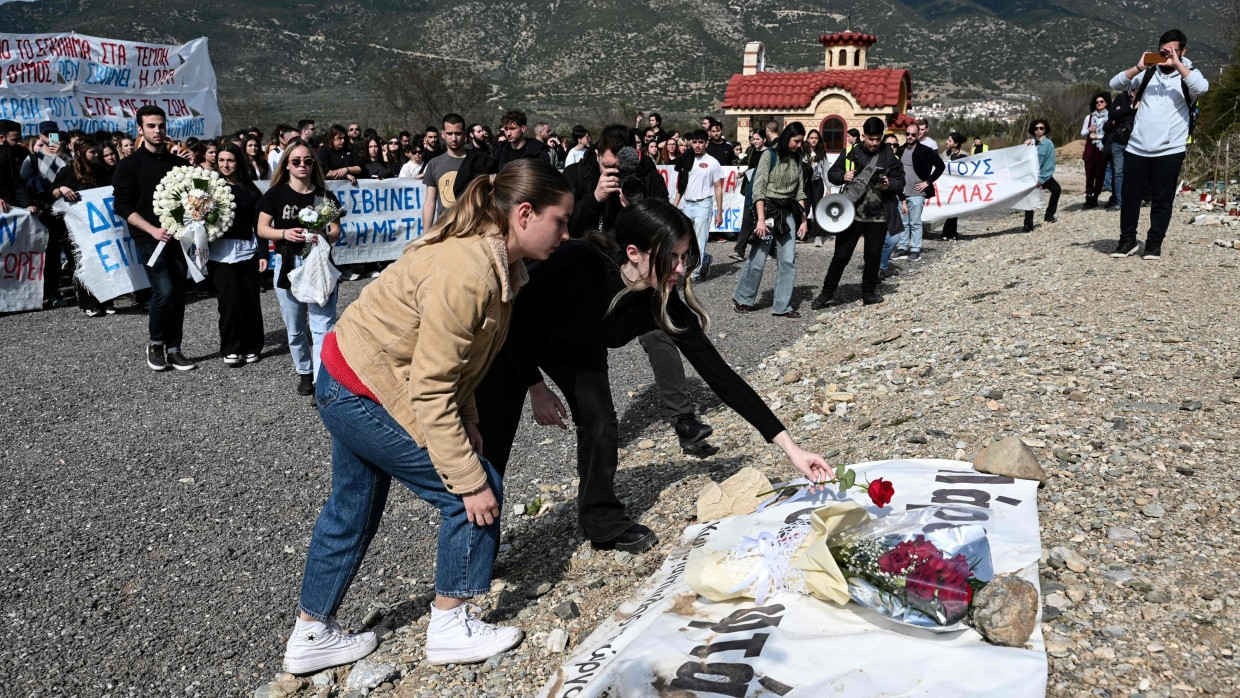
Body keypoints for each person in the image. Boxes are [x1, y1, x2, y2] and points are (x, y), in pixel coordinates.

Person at [282, 159, 572, 675]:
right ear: (525, 214)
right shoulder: (469, 271)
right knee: (474, 491)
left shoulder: (494, 257)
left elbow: (455, 361)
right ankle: (450, 625)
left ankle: (311, 634)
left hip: (348, 373)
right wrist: (466, 477)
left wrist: (471, 418)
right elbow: (432, 385)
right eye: (561, 220)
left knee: (352, 507)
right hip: (363, 389)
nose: (566, 233)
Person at [477, 198, 834, 554]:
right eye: (672, 257)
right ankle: (475, 548)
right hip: (510, 341)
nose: (680, 268)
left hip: (578, 349)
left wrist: (791, 448)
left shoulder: (659, 302)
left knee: (601, 423)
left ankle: (602, 522)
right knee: (492, 444)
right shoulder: (577, 262)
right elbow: (513, 318)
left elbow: (719, 374)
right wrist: (536, 387)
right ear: (635, 253)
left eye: (685, 257)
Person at [555, 123, 715, 455]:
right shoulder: (575, 175)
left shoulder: (645, 174)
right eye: (609, 167)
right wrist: (595, 198)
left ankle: (684, 421)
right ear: (597, 155)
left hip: (638, 271)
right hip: (591, 274)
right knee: (590, 351)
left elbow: (665, 225)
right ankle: (597, 433)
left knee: (660, 333)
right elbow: (561, 231)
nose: (616, 173)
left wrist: (636, 205)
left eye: (622, 167)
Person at [1109, 29, 1209, 260]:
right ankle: (1127, 241)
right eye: (1164, 51)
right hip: (1136, 148)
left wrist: (1178, 64)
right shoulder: (1147, 74)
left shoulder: (1189, 77)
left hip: (1170, 149)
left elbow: (1202, 89)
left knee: (1162, 200)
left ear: (1183, 51)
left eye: (1173, 51)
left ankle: (1153, 244)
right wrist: (1139, 66)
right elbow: (1114, 82)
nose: (1167, 55)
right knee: (1130, 197)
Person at [113, 106, 197, 370]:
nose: (157, 130)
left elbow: (194, 199)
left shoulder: (180, 165)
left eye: (161, 125)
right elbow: (122, 206)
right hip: (150, 238)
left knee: (179, 292)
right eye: (151, 126)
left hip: (178, 238)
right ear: (140, 129)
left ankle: (174, 348)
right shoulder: (128, 166)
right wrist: (151, 229)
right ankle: (156, 343)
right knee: (164, 290)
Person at [257, 140, 343, 396]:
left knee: (322, 326)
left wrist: (323, 235)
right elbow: (262, 228)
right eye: (296, 161)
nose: (302, 165)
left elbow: (337, 230)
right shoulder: (276, 194)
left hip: (319, 263)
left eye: (308, 161)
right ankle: (304, 371)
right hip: (288, 263)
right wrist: (285, 233)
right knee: (295, 328)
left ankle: (320, 380)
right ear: (287, 165)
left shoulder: (324, 196)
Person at [811, 116, 904, 309]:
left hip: (878, 216)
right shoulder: (850, 153)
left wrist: (888, 185)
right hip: (850, 215)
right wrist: (843, 176)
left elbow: (900, 181)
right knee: (841, 256)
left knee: (872, 257)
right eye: (871, 139)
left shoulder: (889, 156)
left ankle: (868, 293)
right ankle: (827, 293)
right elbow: (831, 174)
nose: (874, 143)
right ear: (863, 136)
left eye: (878, 139)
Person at [732, 122, 807, 317]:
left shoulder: (797, 159)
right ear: (787, 137)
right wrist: (760, 220)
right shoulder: (769, 155)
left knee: (788, 260)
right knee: (758, 256)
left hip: (788, 211)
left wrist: (804, 220)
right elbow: (759, 189)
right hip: (767, 210)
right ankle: (743, 298)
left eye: (801, 142)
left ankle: (782, 306)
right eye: (796, 141)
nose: (799, 145)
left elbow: (800, 192)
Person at [209, 144, 265, 366]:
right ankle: (231, 347)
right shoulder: (208, 188)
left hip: (246, 251)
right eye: (221, 160)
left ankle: (252, 345)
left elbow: (258, 223)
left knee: (250, 300)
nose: (225, 165)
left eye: (230, 160)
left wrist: (263, 252)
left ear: (238, 162)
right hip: (219, 254)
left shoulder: (249, 190)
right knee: (229, 302)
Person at [52, 138, 115, 316]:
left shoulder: (100, 170)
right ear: (80, 153)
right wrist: (62, 189)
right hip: (80, 225)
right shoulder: (67, 171)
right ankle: (89, 303)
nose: (96, 155)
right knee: (85, 262)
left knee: (103, 260)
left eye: (96, 152)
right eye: (92, 152)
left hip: (101, 225)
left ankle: (107, 299)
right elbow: (53, 191)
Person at [672, 130, 724, 280]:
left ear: (706, 143)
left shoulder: (712, 162)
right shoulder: (686, 160)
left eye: (700, 142)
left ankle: (694, 272)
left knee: (700, 240)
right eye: (694, 142)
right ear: (690, 143)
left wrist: (719, 212)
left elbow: (718, 187)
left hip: (703, 204)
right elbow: (681, 185)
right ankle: (704, 259)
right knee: (684, 239)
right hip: (687, 204)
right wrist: (675, 206)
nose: (697, 145)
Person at [890, 122, 944, 263]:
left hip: (917, 194)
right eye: (907, 134)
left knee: (915, 222)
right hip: (901, 194)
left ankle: (915, 250)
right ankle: (902, 248)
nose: (910, 137)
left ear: (918, 135)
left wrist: (927, 182)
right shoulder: (900, 150)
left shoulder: (925, 151)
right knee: (903, 222)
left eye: (913, 134)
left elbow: (940, 166)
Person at [422, 113, 468, 231]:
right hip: (444, 229)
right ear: (443, 134)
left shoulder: (478, 161)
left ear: (464, 135)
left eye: (457, 133)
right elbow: (429, 202)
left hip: (470, 228)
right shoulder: (433, 164)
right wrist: (426, 234)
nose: (453, 138)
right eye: (449, 133)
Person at [730, 129, 768, 261]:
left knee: (763, 220)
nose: (755, 141)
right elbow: (750, 167)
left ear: (764, 139)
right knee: (746, 219)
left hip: (764, 191)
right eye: (753, 139)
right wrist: (743, 173)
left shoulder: (769, 153)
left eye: (758, 139)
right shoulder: (750, 151)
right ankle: (739, 250)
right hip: (751, 189)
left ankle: (767, 249)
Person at [1023, 119, 1060, 232]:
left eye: (1041, 128)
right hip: (1030, 176)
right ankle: (1028, 225)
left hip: (1043, 175)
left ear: (1045, 130)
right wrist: (1024, 146)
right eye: (1036, 128)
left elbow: (1049, 163)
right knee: (1030, 199)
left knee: (1056, 189)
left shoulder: (1048, 144)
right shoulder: (1029, 143)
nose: (1038, 130)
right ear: (1033, 130)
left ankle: (1049, 215)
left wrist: (1041, 180)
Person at [1102, 86, 1136, 210]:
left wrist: (1121, 112)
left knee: (1133, 172)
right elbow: (1112, 115)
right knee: (1118, 173)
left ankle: (1131, 199)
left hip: (1136, 142)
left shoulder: (1144, 97)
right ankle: (1119, 201)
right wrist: (1130, 108)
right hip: (1118, 141)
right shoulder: (1122, 97)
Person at [1081, 92, 1111, 209]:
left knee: (1100, 174)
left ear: (1106, 103)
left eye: (1101, 101)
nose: (1099, 104)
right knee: (1089, 174)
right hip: (1090, 148)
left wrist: (1098, 137)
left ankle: (1095, 197)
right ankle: (1088, 196)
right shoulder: (1089, 117)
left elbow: (1110, 134)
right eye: (1097, 102)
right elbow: (1083, 133)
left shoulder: (1109, 117)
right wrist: (1089, 130)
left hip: (1102, 148)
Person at [940, 133, 968, 241]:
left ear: (956, 144)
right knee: (948, 210)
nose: (947, 142)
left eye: (949, 140)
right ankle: (949, 232)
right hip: (946, 187)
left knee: (954, 210)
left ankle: (949, 232)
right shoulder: (944, 154)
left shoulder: (964, 155)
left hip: (958, 188)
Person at [804, 129, 828, 246]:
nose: (813, 140)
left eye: (816, 138)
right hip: (806, 183)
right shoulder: (803, 151)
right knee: (804, 208)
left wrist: (828, 187)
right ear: (808, 139)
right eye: (811, 138)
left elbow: (826, 170)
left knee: (817, 208)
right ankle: (802, 232)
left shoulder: (822, 152)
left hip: (817, 183)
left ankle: (818, 235)